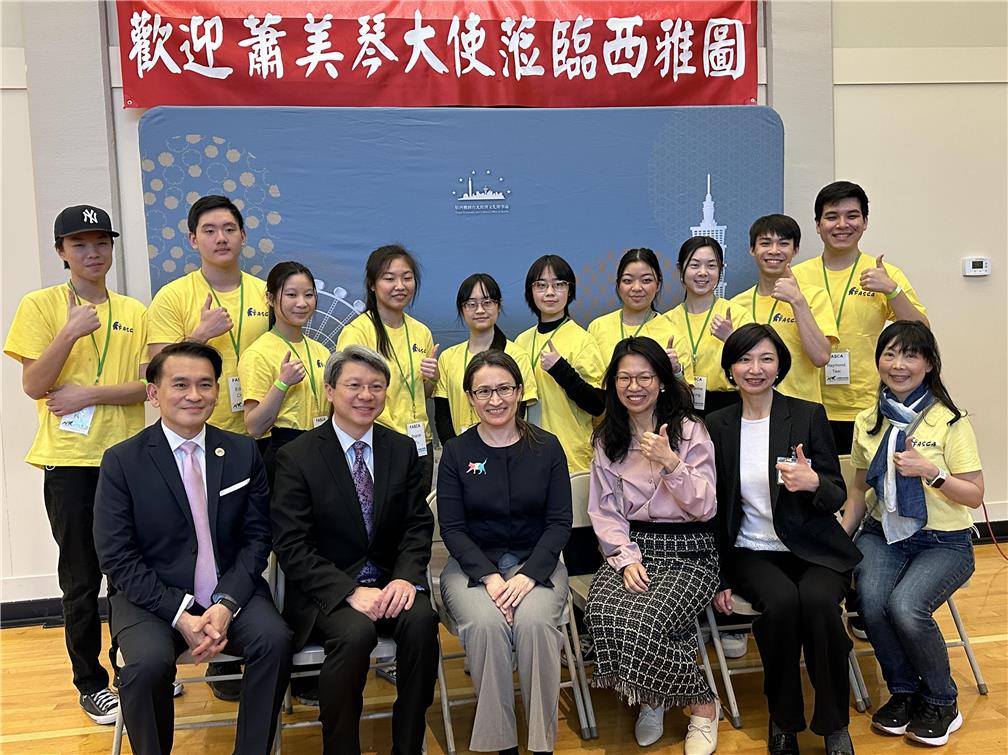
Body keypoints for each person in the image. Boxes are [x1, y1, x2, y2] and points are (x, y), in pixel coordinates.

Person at [93, 341, 292, 755]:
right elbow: (117, 557)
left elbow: (258, 538)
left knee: (274, 640)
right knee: (146, 666)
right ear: (154, 393)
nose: (194, 395)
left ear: (218, 392)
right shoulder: (122, 461)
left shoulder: (241, 452)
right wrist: (181, 614)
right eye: (180, 384)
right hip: (152, 598)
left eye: (205, 384)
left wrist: (225, 603)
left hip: (231, 590)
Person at [3, 204, 148, 725]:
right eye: (80, 244)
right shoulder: (40, 305)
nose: (93, 252)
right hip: (70, 463)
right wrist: (69, 332)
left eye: (101, 243)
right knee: (82, 578)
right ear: (61, 252)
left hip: (129, 460)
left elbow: (146, 387)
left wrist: (88, 393)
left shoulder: (135, 310)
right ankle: (91, 682)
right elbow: (34, 386)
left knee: (135, 571)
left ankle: (141, 665)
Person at [271, 345, 439, 755]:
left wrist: (404, 577)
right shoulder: (296, 456)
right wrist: (347, 591)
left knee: (421, 623)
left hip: (389, 583)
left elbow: (417, 524)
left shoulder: (400, 449)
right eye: (354, 385)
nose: (366, 395)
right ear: (329, 390)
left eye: (376, 387)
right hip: (327, 593)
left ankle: (408, 744)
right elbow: (291, 544)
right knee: (355, 632)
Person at [706, 324, 862, 755]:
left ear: (780, 366)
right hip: (752, 552)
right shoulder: (716, 425)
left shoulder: (807, 415)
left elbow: (836, 492)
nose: (755, 369)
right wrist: (718, 577)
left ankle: (834, 724)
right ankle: (784, 720)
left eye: (766, 359)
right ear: (730, 368)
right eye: (744, 359)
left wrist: (813, 482)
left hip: (813, 548)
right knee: (781, 605)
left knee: (818, 605)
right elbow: (712, 509)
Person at [843, 321, 983, 747]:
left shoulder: (949, 420)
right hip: (882, 533)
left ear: (928, 364)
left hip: (944, 541)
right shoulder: (869, 419)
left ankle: (942, 700)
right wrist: (837, 542)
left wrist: (933, 473)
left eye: (910, 355)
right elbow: (858, 489)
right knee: (871, 602)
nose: (898, 365)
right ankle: (903, 692)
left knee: (905, 606)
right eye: (889, 354)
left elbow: (975, 495)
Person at [585, 337, 720, 754]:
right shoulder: (608, 439)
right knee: (602, 610)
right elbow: (605, 512)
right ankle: (654, 695)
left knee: (645, 621)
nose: (634, 385)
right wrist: (625, 559)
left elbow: (706, 504)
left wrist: (670, 462)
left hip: (690, 552)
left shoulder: (689, 430)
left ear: (662, 381)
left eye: (645, 376)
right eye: (625, 377)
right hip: (637, 547)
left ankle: (701, 707)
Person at [437, 350, 572, 755]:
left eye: (503, 389)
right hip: (472, 567)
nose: (495, 400)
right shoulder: (458, 454)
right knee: (486, 623)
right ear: (469, 397)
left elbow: (559, 523)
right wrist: (492, 579)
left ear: (519, 392)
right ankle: (502, 745)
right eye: (484, 391)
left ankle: (540, 743)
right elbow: (453, 530)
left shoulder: (547, 447)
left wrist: (530, 575)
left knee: (533, 624)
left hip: (539, 564)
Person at [792, 181, 928, 454]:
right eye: (832, 217)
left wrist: (891, 290)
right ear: (818, 225)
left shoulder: (884, 274)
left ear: (865, 222)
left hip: (866, 404)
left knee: (864, 490)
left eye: (852, 215)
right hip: (807, 403)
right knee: (813, 489)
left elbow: (922, 331)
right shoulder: (796, 277)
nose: (842, 224)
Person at [147, 195, 270, 436]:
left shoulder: (268, 294)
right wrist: (200, 335)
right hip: (200, 430)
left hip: (265, 427)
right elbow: (157, 368)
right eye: (209, 231)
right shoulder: (171, 296)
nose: (221, 238)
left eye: (229, 229)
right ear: (193, 239)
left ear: (243, 236)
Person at [336, 245, 439, 491]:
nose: (400, 286)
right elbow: (347, 395)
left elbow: (422, 393)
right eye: (389, 278)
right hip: (378, 444)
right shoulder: (358, 331)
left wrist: (432, 379)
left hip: (419, 443)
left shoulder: (421, 331)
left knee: (417, 521)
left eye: (407, 278)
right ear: (372, 284)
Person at [729, 215, 837, 406]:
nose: (774, 251)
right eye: (765, 243)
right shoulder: (737, 304)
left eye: (783, 243)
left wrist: (797, 302)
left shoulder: (813, 297)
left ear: (795, 249)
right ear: (752, 249)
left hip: (802, 408)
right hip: (751, 410)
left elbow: (821, 357)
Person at [238, 261, 330, 485]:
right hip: (283, 453)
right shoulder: (258, 353)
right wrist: (282, 383)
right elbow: (254, 428)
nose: (302, 303)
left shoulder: (322, 351)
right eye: (291, 295)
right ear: (270, 299)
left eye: (308, 295)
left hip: (322, 448)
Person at [515, 254, 606, 473]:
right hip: (526, 453)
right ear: (530, 291)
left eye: (559, 284)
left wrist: (561, 370)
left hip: (570, 455)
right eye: (541, 285)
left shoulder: (582, 340)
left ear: (570, 290)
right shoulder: (521, 341)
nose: (549, 292)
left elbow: (598, 404)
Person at [434, 273, 536, 442]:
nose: (480, 310)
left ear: (498, 305)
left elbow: (520, 411)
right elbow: (442, 416)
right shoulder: (448, 358)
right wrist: (454, 450)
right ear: (461, 309)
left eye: (487, 303)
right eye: (471, 304)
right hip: (461, 451)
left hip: (505, 446)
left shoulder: (517, 356)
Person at [666, 237, 752, 416]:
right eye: (695, 265)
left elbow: (755, 366)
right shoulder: (666, 321)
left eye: (711, 266)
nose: (703, 272)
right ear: (680, 269)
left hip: (729, 406)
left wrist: (731, 338)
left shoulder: (737, 314)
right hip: (679, 406)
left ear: (721, 270)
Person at [587, 247, 692, 382]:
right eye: (628, 281)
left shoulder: (673, 334)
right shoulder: (597, 328)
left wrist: (676, 372)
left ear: (658, 285)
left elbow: (686, 397)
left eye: (646, 280)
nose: (636, 288)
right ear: (618, 285)